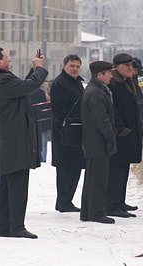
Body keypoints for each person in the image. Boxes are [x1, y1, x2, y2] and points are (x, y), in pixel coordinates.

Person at [0, 47, 48, 239]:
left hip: (11, 137)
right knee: (18, 185)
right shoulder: (1, 79)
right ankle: (16, 227)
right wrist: (38, 69)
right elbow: (29, 86)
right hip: (14, 138)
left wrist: (33, 69)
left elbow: (22, 85)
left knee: (7, 184)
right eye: (6, 58)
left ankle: (5, 227)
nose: (9, 61)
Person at [107, 53, 143, 218]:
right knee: (116, 169)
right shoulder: (114, 84)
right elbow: (113, 111)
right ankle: (112, 204)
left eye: (131, 65)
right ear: (118, 67)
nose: (131, 68)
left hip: (128, 134)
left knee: (124, 169)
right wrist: (123, 129)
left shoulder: (126, 82)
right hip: (120, 135)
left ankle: (119, 202)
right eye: (127, 65)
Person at [80, 61, 116, 224]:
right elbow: (100, 119)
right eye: (108, 72)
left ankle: (88, 211)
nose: (111, 75)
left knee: (93, 177)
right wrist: (110, 137)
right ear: (99, 75)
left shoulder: (96, 89)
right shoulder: (96, 92)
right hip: (97, 141)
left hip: (94, 141)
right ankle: (96, 212)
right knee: (98, 178)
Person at [50, 54, 86, 213]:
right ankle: (63, 202)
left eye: (77, 66)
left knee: (76, 167)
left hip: (77, 133)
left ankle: (67, 201)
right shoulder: (60, 83)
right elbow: (58, 111)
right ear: (64, 66)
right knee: (66, 169)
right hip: (64, 134)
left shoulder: (77, 83)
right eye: (72, 66)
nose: (75, 69)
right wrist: (70, 123)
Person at [40, 81, 52, 162]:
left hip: (49, 120)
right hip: (44, 120)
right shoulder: (41, 93)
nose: (45, 85)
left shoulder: (50, 92)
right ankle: (43, 158)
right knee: (43, 142)